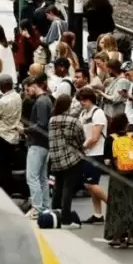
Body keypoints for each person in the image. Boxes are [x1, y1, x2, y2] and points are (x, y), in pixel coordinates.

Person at [103, 113, 133, 248]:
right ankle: (131, 237)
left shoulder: (110, 139)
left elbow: (107, 160)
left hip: (118, 176)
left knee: (118, 205)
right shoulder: (132, 136)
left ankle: (117, 238)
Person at [48, 93, 85, 229]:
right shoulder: (73, 121)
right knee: (68, 189)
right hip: (71, 159)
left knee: (58, 187)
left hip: (56, 159)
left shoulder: (52, 120)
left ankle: (55, 214)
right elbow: (81, 138)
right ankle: (66, 219)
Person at [25, 73, 53, 220]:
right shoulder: (46, 100)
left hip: (37, 143)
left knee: (32, 177)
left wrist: (25, 130)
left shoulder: (41, 102)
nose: (27, 92)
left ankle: (37, 207)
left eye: (27, 89)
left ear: (34, 86)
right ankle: (45, 206)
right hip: (44, 144)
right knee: (42, 177)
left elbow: (41, 124)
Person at [78, 87, 108, 224]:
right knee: (91, 184)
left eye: (83, 100)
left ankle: (113, 205)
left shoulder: (98, 113)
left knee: (90, 184)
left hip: (96, 153)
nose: (81, 103)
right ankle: (97, 215)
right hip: (87, 153)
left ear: (90, 100)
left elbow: (95, 137)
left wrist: (83, 147)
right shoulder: (84, 113)